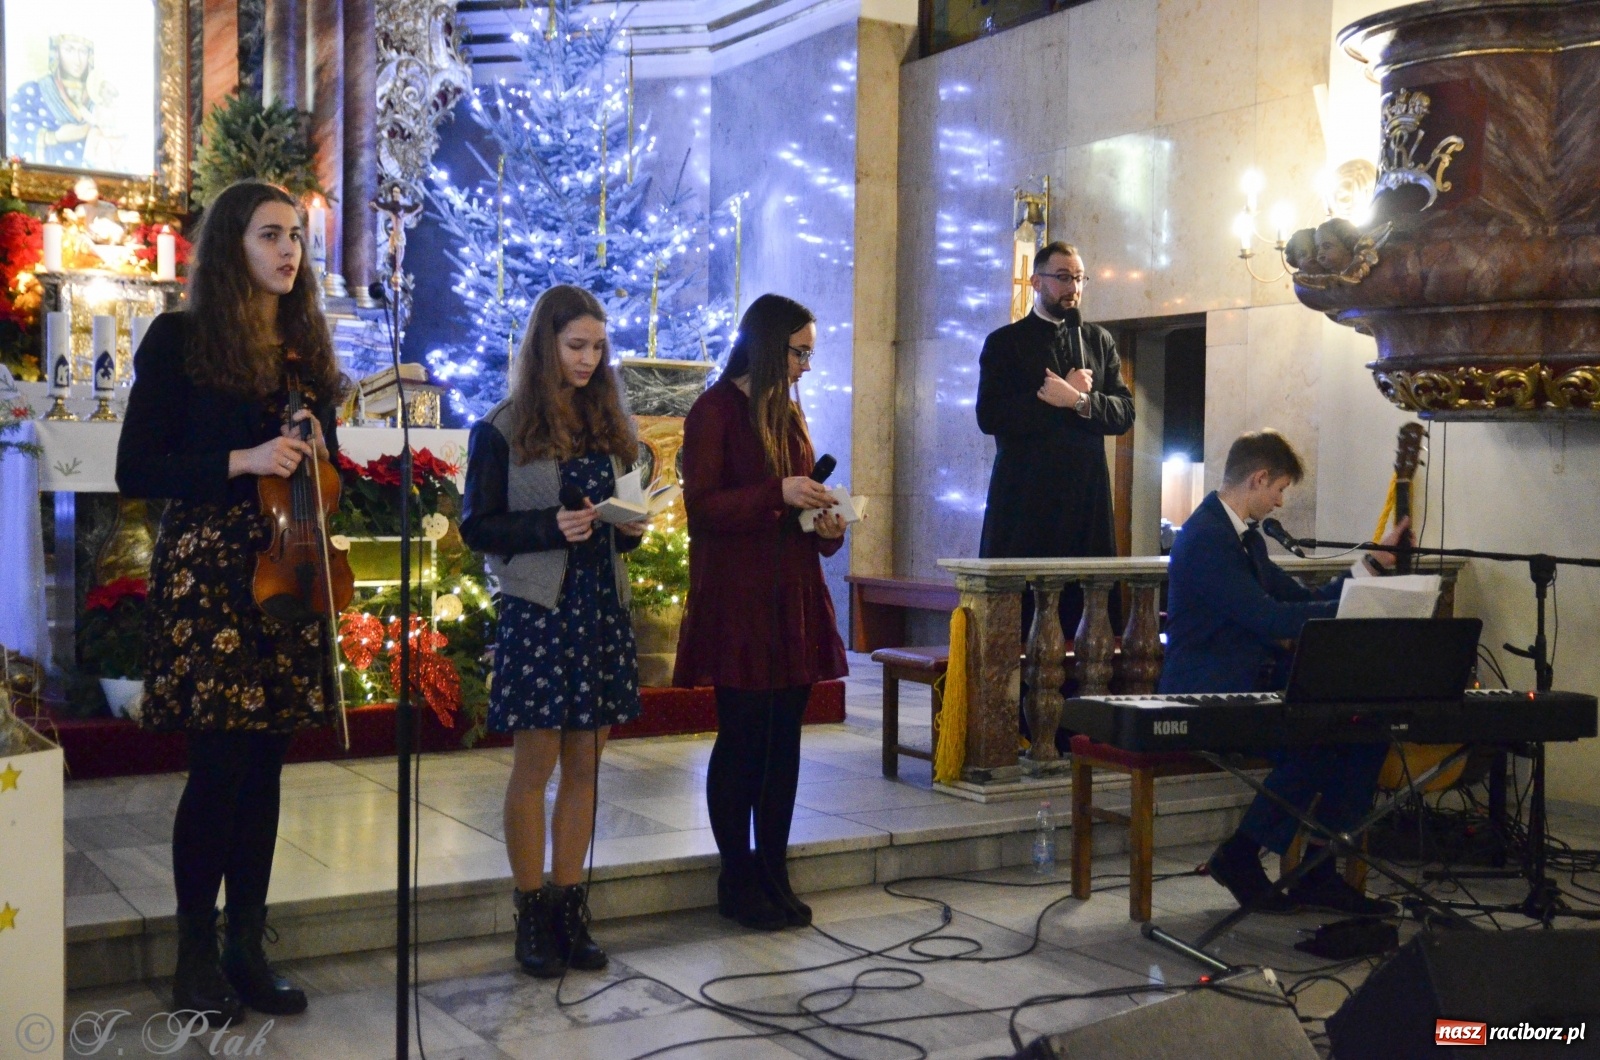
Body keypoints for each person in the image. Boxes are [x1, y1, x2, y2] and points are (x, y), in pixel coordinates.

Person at [116, 180, 341, 1024]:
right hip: (212, 579)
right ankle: (194, 956)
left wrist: (323, 452)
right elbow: (137, 469)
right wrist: (243, 461)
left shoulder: (304, 349)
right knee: (217, 772)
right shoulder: (179, 340)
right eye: (269, 236)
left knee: (267, 770)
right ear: (229, 248)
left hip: (288, 572)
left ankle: (248, 947)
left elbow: (329, 477)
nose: (289, 251)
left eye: (296, 237)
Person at [459, 284, 646, 978]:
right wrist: (549, 527)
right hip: (540, 611)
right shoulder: (503, 428)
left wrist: (628, 526)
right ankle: (531, 912)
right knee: (534, 766)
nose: (589, 360)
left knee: (586, 765)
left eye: (598, 347)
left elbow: (620, 527)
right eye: (576, 346)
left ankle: (571, 907)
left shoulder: (610, 423)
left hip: (600, 606)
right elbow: (476, 525)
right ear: (546, 345)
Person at [1161, 429, 1408, 917]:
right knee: (1319, 739)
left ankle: (1318, 869)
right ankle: (1244, 853)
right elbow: (1269, 619)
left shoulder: (1241, 538)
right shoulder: (1208, 539)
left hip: (1249, 687)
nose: (1278, 503)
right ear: (1259, 478)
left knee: (1365, 734)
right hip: (1207, 695)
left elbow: (1294, 598)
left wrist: (1370, 571)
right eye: (1278, 491)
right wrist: (1347, 612)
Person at [673, 293, 848, 932]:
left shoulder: (788, 414)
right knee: (744, 740)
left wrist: (825, 521)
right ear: (771, 345)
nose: (805, 365)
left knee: (785, 743)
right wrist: (778, 492)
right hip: (739, 597)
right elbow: (704, 506)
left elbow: (798, 513)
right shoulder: (715, 410)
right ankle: (736, 876)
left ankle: (775, 868)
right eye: (799, 352)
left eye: (809, 354)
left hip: (791, 593)